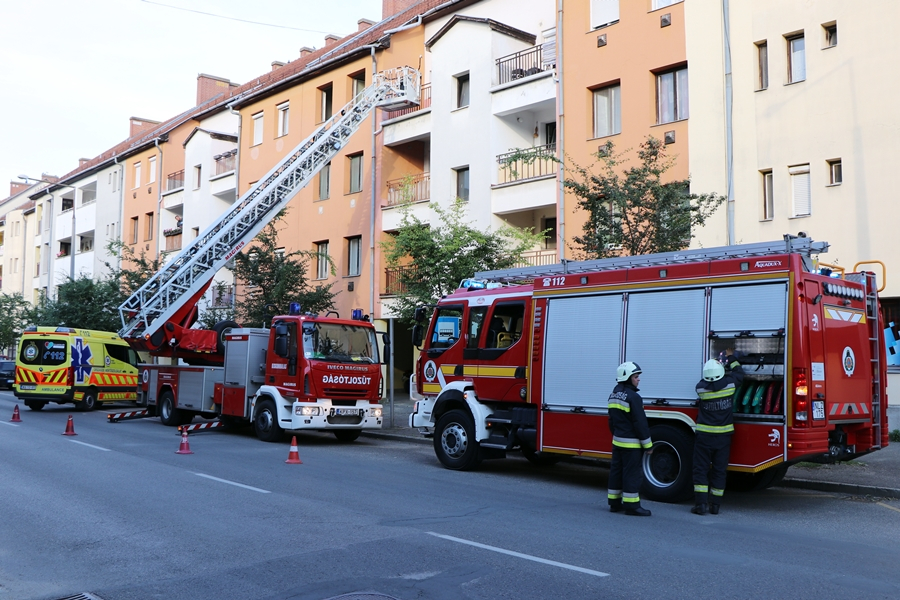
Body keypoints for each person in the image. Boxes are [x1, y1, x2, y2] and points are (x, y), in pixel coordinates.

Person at [691, 352, 744, 515]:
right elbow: (739, 375)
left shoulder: (700, 388)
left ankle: (700, 505)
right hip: (723, 438)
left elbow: (708, 382)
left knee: (700, 469)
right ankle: (715, 505)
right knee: (719, 470)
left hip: (704, 437)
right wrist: (732, 360)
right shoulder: (729, 386)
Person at [607, 361, 654, 516]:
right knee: (631, 474)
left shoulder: (613, 395)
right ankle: (632, 506)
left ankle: (614, 502)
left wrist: (618, 434)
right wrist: (648, 445)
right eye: (636, 376)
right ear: (627, 378)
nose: (638, 379)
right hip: (631, 444)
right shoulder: (634, 397)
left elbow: (611, 422)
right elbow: (640, 423)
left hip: (617, 441)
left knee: (616, 471)